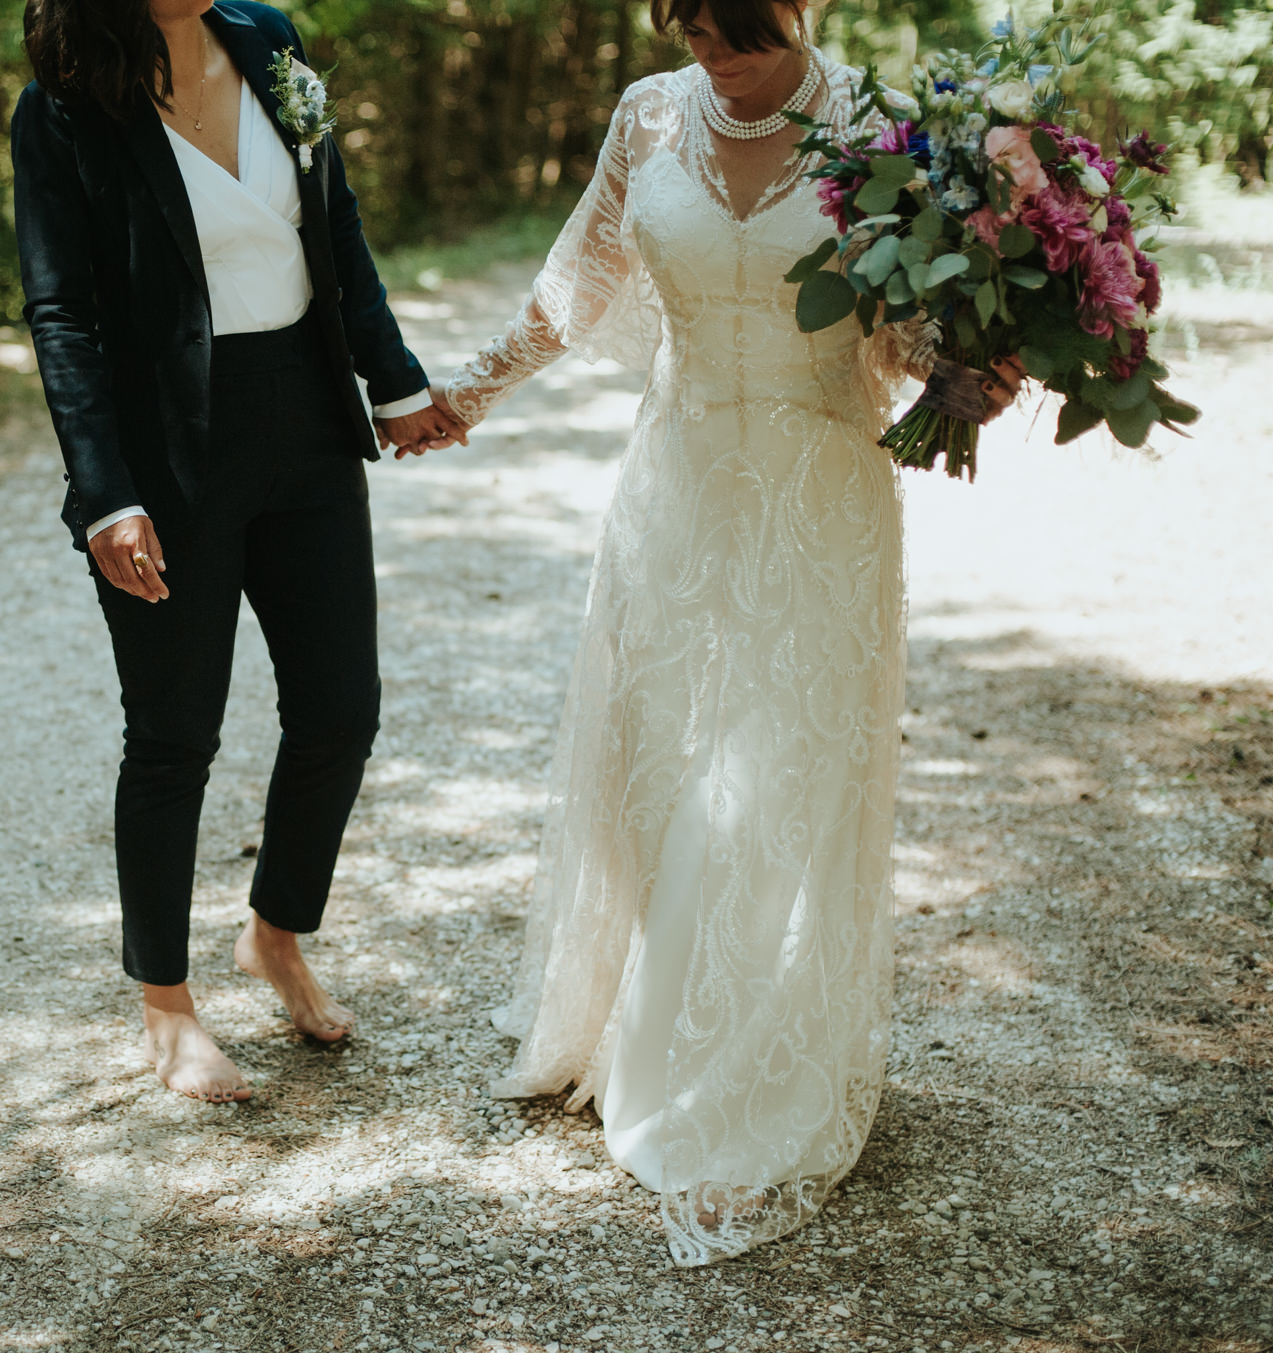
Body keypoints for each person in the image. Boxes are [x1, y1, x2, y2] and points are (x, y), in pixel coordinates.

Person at [432, 0, 1021, 1263]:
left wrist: (976, 368)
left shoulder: (888, 132)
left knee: (779, 785)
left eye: (739, 28)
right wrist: (462, 396)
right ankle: (630, 1015)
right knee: (659, 775)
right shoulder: (649, 114)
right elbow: (574, 286)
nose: (716, 54)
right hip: (679, 485)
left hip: (821, 497)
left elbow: (912, 330)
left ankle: (738, 1080)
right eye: (691, 28)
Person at [13, 0, 466, 1102]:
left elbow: (335, 226)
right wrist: (105, 494)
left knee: (340, 712)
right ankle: (166, 1011)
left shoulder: (268, 40)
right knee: (173, 735)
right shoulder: (63, 105)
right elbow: (61, 312)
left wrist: (394, 381)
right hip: (166, 457)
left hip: (306, 424)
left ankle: (275, 933)